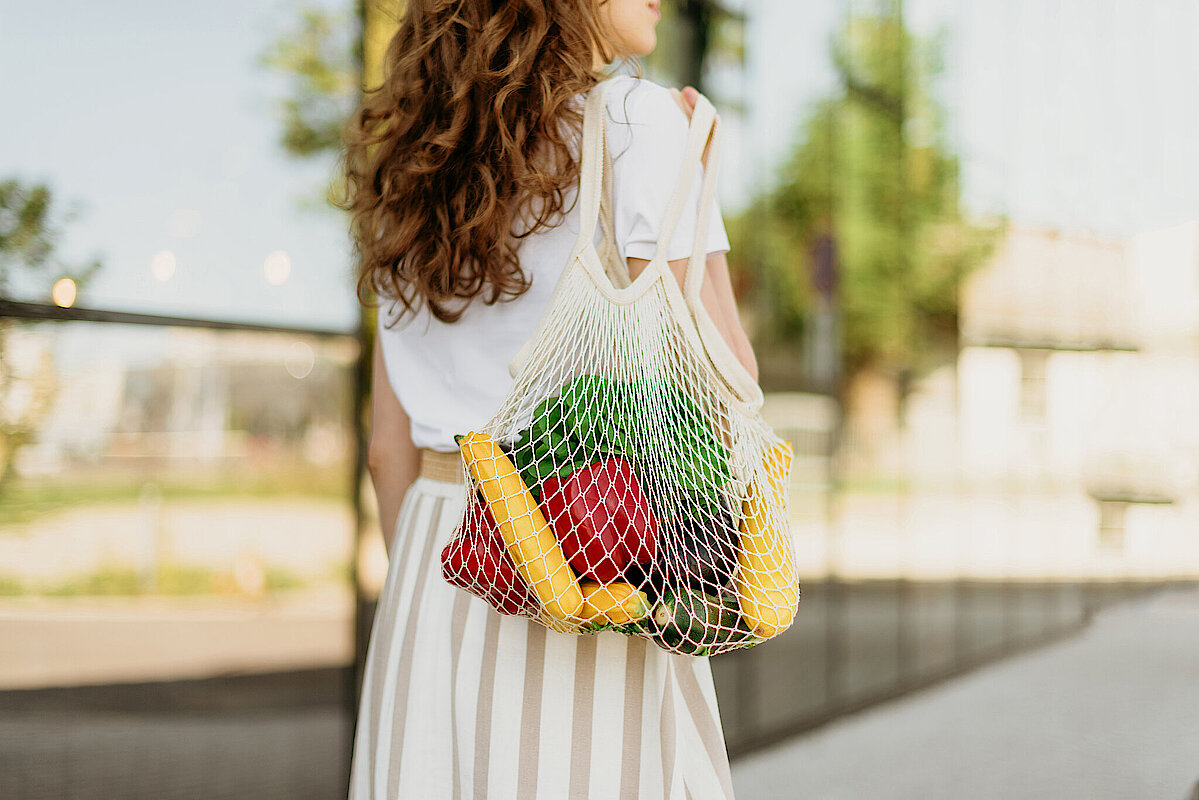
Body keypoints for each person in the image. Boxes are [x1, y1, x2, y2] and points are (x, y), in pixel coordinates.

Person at [342, 1, 758, 797]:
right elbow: (720, 381)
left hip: (431, 578)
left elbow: (384, 451)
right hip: (587, 550)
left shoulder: (403, 163)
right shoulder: (640, 122)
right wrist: (695, 186)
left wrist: (444, 598)